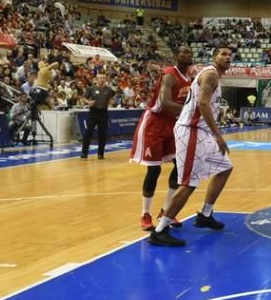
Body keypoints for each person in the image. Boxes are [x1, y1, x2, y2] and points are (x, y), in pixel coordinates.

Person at [148, 46, 235, 247]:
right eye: (223, 54)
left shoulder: (212, 75)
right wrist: (218, 135)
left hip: (200, 131)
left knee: (225, 168)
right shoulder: (211, 74)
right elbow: (203, 104)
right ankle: (160, 230)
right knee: (188, 183)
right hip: (191, 130)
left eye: (230, 55)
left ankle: (205, 214)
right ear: (214, 57)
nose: (227, 57)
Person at [130, 46, 194, 231]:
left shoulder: (189, 78)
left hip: (172, 124)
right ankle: (145, 214)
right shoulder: (169, 75)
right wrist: (189, 111)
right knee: (154, 170)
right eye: (183, 52)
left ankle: (167, 211)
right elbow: (165, 102)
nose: (188, 54)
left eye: (190, 52)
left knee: (179, 166)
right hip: (154, 123)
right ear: (177, 56)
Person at [81, 73, 115, 159]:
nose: (102, 79)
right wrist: (89, 102)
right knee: (88, 133)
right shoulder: (91, 88)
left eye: (104, 77)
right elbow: (83, 98)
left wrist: (112, 102)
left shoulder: (109, 90)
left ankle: (101, 154)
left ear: (106, 79)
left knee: (102, 134)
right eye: (100, 78)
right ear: (97, 79)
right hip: (93, 112)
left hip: (104, 113)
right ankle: (84, 153)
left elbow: (112, 99)